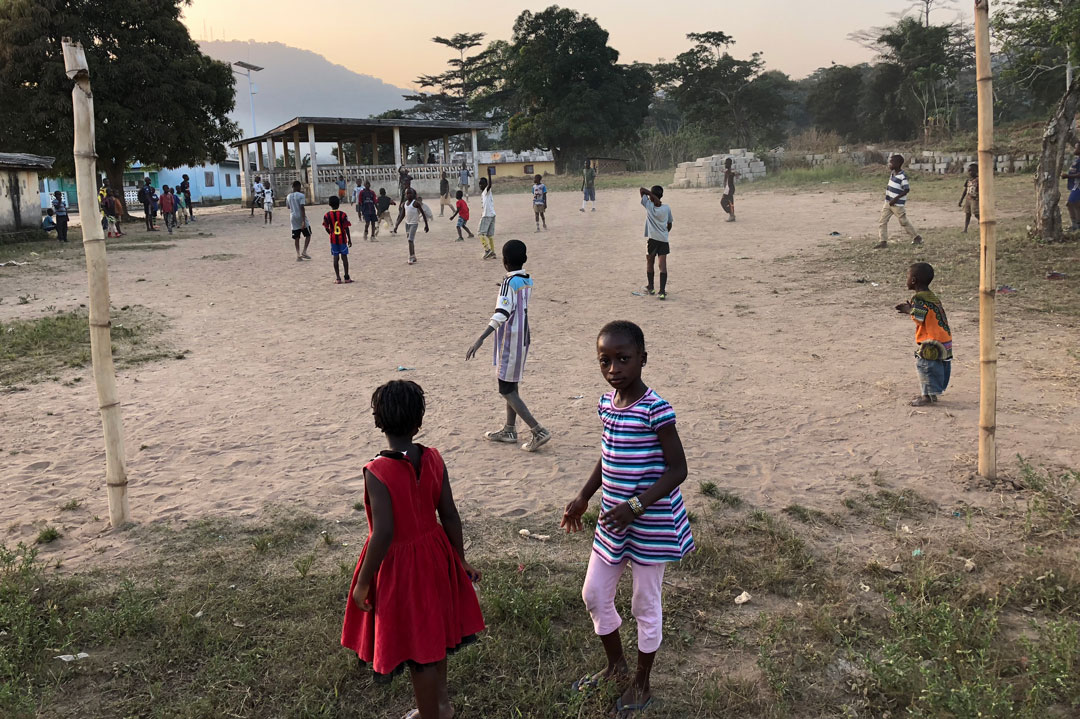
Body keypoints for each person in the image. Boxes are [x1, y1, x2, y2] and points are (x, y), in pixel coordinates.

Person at [560, 320, 692, 718]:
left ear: (642, 359)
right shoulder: (606, 405)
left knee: (644, 605)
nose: (614, 368)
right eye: (605, 360)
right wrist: (584, 495)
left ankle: (642, 681)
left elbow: (677, 469)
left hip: (647, 522)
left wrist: (636, 505)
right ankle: (616, 666)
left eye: (623, 359)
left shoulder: (656, 409)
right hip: (613, 521)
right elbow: (609, 454)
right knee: (594, 594)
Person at [341, 380, 484, 719]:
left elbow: (383, 533)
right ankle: (443, 706)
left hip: (401, 570)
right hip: (436, 556)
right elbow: (449, 513)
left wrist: (363, 581)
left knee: (420, 653)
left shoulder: (377, 471)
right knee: (435, 640)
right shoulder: (433, 458)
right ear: (419, 422)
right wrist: (459, 558)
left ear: (378, 420)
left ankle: (430, 714)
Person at [465, 239, 552, 452]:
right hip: (522, 337)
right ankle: (509, 429)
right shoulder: (527, 280)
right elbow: (521, 308)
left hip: (510, 340)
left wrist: (481, 337)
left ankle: (537, 430)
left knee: (505, 388)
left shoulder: (507, 283)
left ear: (504, 262)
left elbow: (502, 313)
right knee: (511, 384)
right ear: (524, 259)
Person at [895, 262, 952, 407]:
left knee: (925, 365)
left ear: (913, 280)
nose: (906, 279)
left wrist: (909, 310)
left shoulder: (919, 298)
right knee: (938, 366)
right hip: (944, 338)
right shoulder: (931, 296)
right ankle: (932, 393)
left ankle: (927, 396)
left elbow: (920, 318)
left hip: (932, 340)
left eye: (907, 277)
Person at [874, 154, 923, 248]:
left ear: (898, 164)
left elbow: (906, 189)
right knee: (882, 221)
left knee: (903, 222)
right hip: (888, 203)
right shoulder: (892, 173)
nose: (889, 164)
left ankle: (917, 237)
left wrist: (895, 199)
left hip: (897, 204)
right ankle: (883, 241)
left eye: (891, 162)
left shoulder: (902, 176)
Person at [640, 185, 673, 300]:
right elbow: (669, 224)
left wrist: (651, 196)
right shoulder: (666, 208)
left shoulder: (649, 206)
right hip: (663, 239)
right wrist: (664, 233)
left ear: (652, 197)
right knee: (662, 266)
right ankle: (662, 291)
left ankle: (651, 287)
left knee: (650, 262)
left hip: (653, 240)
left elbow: (642, 189)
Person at [393, 188, 429, 265]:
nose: (409, 195)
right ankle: (414, 255)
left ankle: (411, 257)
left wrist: (426, 225)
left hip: (414, 224)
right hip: (407, 224)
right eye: (407, 193)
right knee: (410, 240)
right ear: (405, 195)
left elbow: (423, 214)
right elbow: (402, 215)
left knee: (410, 240)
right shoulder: (404, 204)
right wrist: (396, 225)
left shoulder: (416, 203)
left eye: (410, 193)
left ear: (413, 195)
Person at [322, 195, 353, 284]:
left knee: (335, 257)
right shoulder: (343, 214)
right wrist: (349, 239)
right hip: (342, 239)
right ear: (339, 204)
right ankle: (347, 277)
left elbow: (326, 227)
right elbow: (347, 228)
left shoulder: (327, 215)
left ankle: (338, 278)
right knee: (344, 257)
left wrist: (331, 233)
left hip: (333, 240)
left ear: (329, 204)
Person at [286, 180, 313, 261]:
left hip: (293, 217)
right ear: (298, 187)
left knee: (296, 237)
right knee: (308, 234)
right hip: (300, 217)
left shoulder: (288, 196)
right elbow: (302, 207)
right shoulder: (301, 195)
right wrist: (303, 221)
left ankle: (298, 254)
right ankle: (304, 251)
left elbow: (288, 207)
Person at [1061, 142, 1080, 231]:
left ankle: (1076, 225)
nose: (1074, 150)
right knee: (1073, 204)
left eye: (1076, 148)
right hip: (1074, 186)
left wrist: (1067, 176)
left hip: (1078, 186)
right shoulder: (1077, 159)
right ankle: (1075, 225)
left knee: (1072, 204)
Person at [477, 175, 497, 260]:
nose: (480, 185)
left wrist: (489, 175)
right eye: (480, 184)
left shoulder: (486, 191)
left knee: (480, 233)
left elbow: (489, 185)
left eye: (482, 184)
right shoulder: (485, 193)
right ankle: (493, 252)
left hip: (487, 215)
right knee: (490, 235)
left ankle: (487, 250)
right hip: (491, 214)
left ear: (486, 184)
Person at [958, 163, 979, 233]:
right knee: (967, 213)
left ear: (976, 171)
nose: (969, 172)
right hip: (968, 198)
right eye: (968, 171)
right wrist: (961, 200)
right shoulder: (968, 180)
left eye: (971, 171)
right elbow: (965, 190)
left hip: (975, 199)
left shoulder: (978, 180)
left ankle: (981, 221)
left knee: (976, 213)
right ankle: (965, 229)